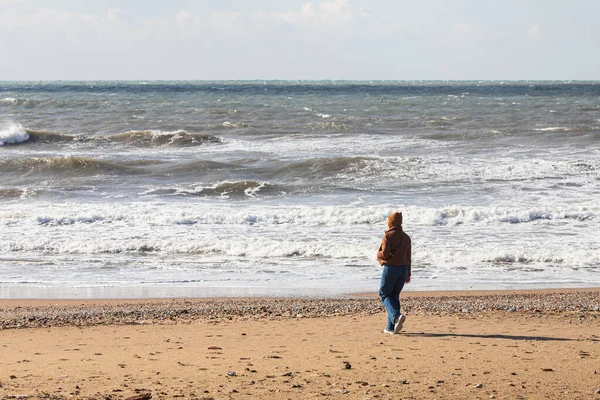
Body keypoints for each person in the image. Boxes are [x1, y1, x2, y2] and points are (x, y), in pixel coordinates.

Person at [377, 211, 412, 334]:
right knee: (394, 296)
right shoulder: (406, 237)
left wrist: (378, 253)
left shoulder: (388, 236)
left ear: (390, 222)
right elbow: (408, 258)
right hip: (403, 269)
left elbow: (385, 254)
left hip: (391, 268)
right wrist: (408, 273)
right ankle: (391, 327)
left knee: (384, 294)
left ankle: (397, 316)